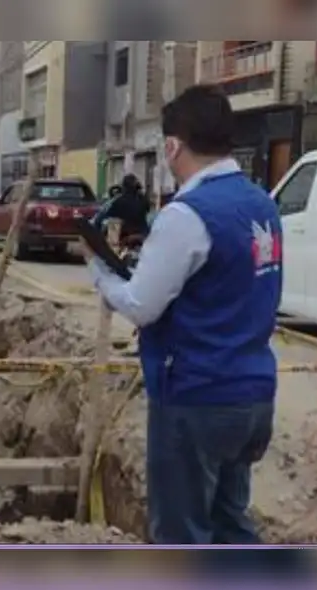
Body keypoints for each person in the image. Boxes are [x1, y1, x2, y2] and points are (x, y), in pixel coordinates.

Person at [84, 84, 281, 545]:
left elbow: (141, 305)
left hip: (197, 397)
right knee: (230, 524)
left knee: (181, 536)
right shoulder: (263, 204)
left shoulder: (187, 215)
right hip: (253, 395)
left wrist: (100, 273)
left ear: (172, 147)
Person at [93, 173, 151, 244]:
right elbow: (148, 212)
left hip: (124, 236)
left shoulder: (118, 201)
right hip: (142, 234)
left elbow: (101, 217)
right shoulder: (143, 200)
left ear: (124, 187)